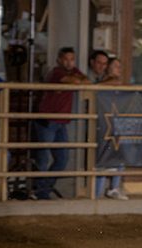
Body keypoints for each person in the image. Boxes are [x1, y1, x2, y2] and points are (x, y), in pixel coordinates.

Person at [35, 47, 89, 200]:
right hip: (47, 120)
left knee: (62, 160)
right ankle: (41, 192)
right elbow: (73, 81)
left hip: (60, 121)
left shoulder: (72, 72)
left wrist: (78, 79)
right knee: (43, 159)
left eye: (72, 59)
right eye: (66, 59)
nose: (69, 62)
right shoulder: (56, 72)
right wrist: (77, 79)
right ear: (59, 60)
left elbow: (85, 81)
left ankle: (43, 190)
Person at [96, 57, 128, 200]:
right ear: (108, 67)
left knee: (118, 154)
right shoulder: (104, 82)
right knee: (103, 156)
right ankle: (97, 192)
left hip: (115, 122)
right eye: (115, 66)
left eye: (120, 67)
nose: (118, 69)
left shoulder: (116, 84)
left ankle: (114, 187)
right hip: (104, 122)